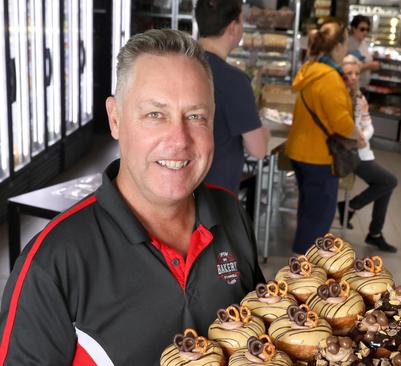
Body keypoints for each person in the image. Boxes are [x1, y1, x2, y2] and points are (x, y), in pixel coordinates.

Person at [0, 29, 265, 364]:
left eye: (196, 116)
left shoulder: (230, 213)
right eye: (155, 114)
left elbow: (263, 330)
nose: (179, 139)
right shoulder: (53, 263)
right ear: (115, 119)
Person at [285, 21, 364, 254]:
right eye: (346, 43)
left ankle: (301, 264)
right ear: (338, 46)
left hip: (300, 151)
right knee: (319, 217)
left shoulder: (310, 69)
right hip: (319, 156)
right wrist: (358, 136)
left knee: (309, 211)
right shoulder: (329, 78)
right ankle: (307, 273)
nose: (347, 49)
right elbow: (341, 123)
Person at [196, 0, 270, 194]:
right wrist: (265, 133)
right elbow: (259, 149)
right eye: (242, 21)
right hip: (215, 193)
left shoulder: (180, 65)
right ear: (232, 27)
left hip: (179, 186)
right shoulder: (234, 81)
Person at [337, 55, 399, 253]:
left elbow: (368, 125)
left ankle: (374, 233)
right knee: (389, 181)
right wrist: (359, 137)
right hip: (349, 154)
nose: (354, 77)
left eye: (356, 73)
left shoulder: (359, 96)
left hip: (362, 151)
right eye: (348, 74)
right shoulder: (338, 96)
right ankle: (351, 209)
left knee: (386, 185)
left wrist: (362, 135)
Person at [348, 15, 380, 89]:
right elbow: (349, 67)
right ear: (354, 28)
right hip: (353, 87)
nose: (365, 32)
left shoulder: (363, 42)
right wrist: (369, 66)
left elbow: (363, 57)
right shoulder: (349, 43)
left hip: (362, 85)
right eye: (362, 29)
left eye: (367, 29)